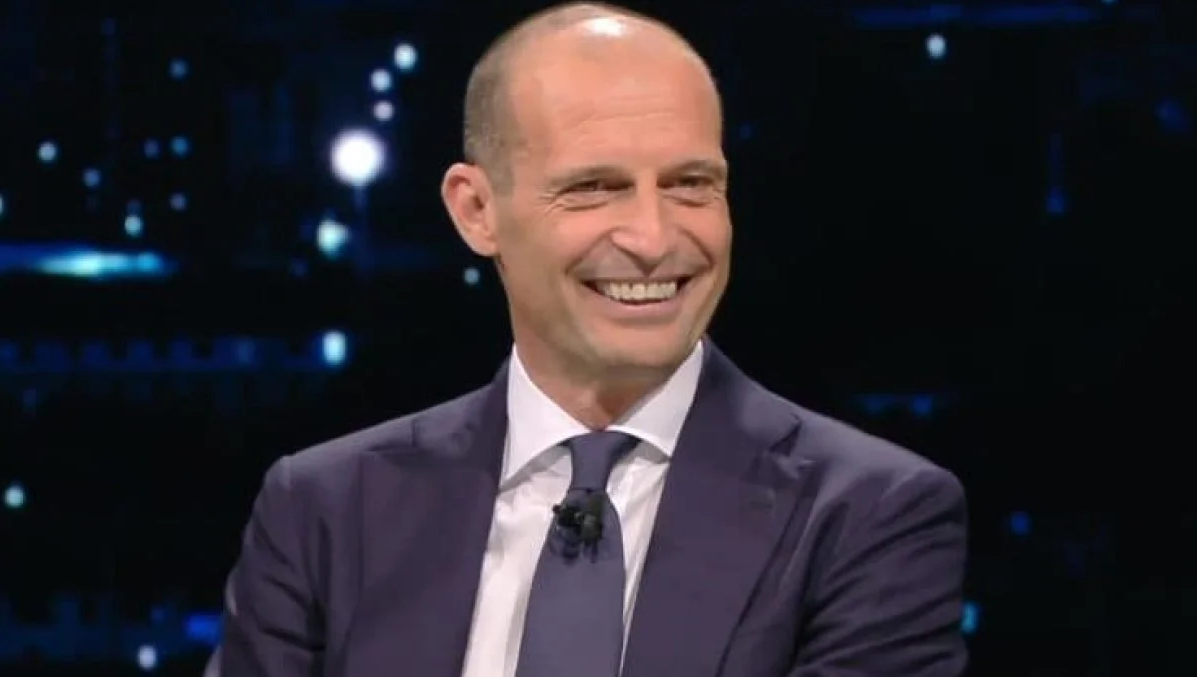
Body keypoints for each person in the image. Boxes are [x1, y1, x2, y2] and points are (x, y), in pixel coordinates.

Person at [207, 3, 969, 676]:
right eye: (594, 188)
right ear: (476, 210)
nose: (653, 238)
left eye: (690, 184)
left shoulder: (870, 517)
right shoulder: (323, 511)